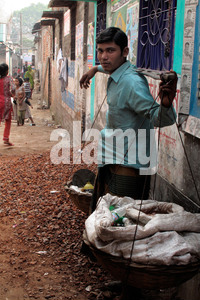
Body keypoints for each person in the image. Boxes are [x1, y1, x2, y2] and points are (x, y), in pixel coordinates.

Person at [79, 27, 178, 213]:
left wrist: (165, 104)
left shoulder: (131, 82)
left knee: (123, 215)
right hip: (112, 153)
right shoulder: (117, 70)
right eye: (100, 51)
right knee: (105, 208)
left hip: (129, 161)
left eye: (110, 50)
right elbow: (106, 66)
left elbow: (159, 119)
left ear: (124, 52)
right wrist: (94, 69)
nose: (104, 57)